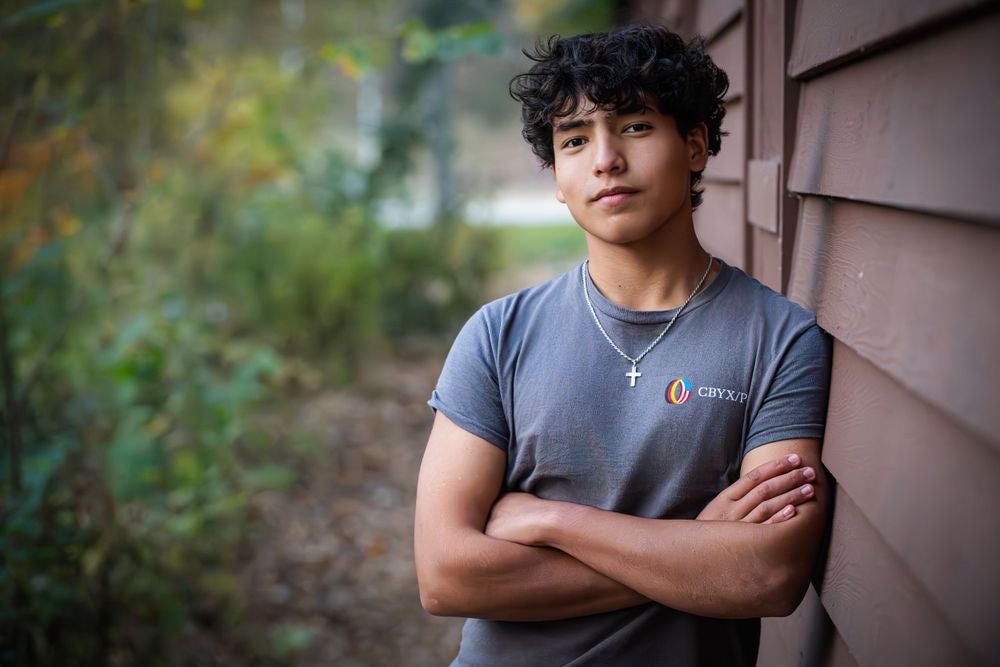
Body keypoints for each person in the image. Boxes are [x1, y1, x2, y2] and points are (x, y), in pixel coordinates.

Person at [414, 24, 832, 666]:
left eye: (635, 126)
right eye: (575, 140)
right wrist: (696, 551)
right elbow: (446, 576)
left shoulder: (779, 338)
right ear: (557, 175)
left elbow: (768, 576)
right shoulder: (498, 335)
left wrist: (555, 523)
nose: (605, 159)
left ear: (694, 145)